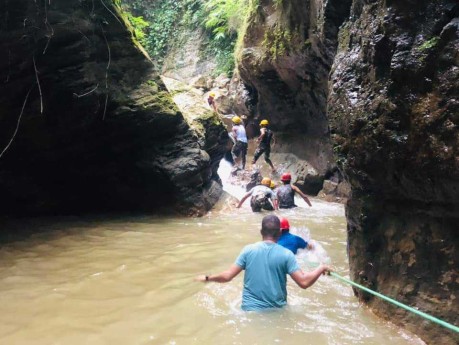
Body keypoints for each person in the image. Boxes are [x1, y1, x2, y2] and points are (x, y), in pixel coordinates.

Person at [196, 215, 330, 311]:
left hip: (249, 311)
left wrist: (207, 277)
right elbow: (304, 282)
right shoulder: (286, 255)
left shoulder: (248, 250)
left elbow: (227, 276)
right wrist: (321, 267)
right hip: (277, 312)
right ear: (279, 233)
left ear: (261, 232)